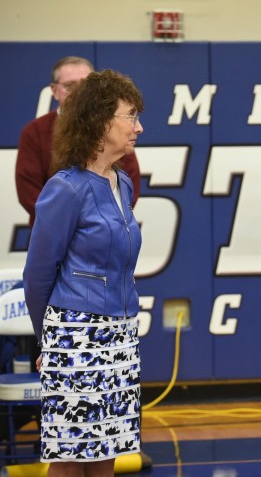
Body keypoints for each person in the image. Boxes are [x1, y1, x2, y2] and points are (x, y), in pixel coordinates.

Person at [23, 69, 144, 477]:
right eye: (130, 116)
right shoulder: (66, 188)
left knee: (107, 453)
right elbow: (38, 274)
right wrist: (50, 342)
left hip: (121, 337)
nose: (138, 127)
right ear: (99, 120)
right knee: (71, 461)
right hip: (76, 338)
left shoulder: (122, 184)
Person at [16, 56, 141, 227]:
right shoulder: (35, 132)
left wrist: (102, 222)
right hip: (52, 230)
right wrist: (73, 225)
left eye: (86, 84)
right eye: (69, 86)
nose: (79, 91)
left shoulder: (112, 128)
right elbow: (28, 191)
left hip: (107, 231)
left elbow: (129, 180)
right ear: (54, 90)